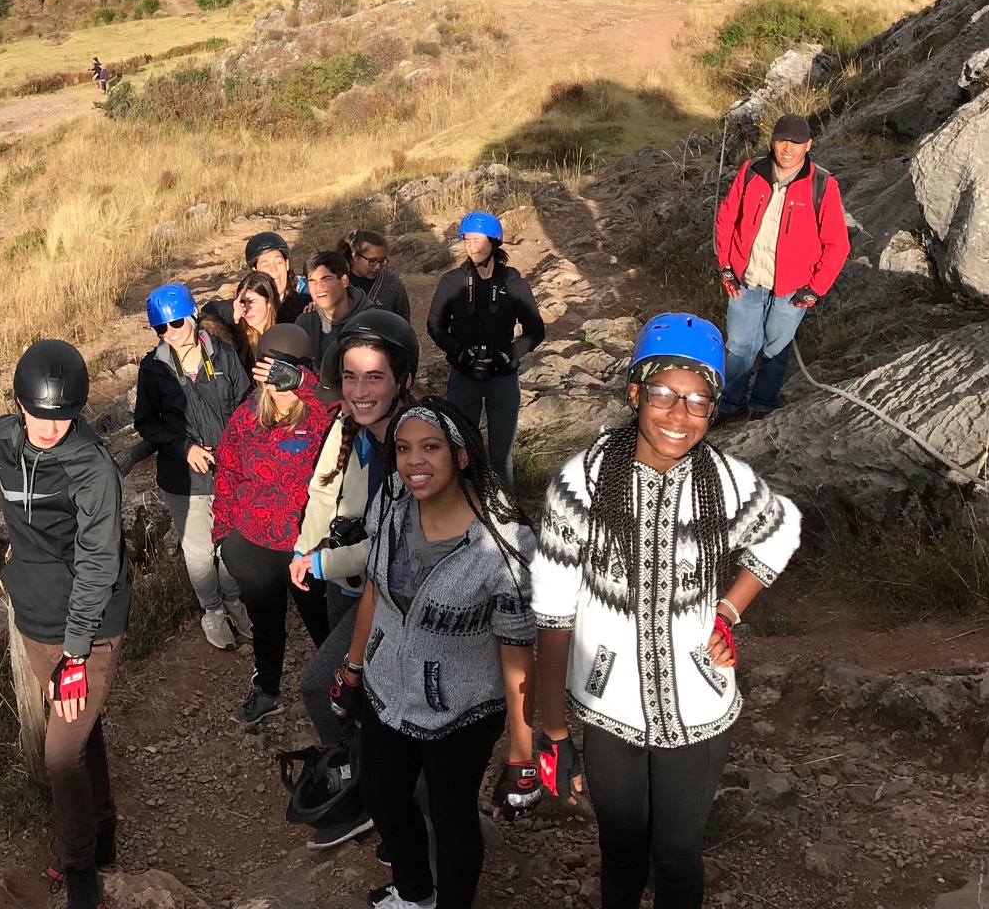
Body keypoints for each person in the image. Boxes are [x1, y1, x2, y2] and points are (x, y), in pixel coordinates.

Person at [532, 313, 802, 909]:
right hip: (609, 706)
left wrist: (727, 612)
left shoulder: (725, 481)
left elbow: (782, 529)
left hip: (699, 702)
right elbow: (552, 612)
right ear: (635, 394)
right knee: (622, 852)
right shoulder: (581, 484)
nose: (680, 415)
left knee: (678, 854)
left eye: (699, 401)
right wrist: (553, 728)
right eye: (664, 395)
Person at [332, 399, 537, 909]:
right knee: (381, 793)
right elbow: (375, 591)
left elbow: (517, 648)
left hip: (463, 710)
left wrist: (521, 748)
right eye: (403, 449)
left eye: (431, 447)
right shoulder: (392, 505)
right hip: (387, 687)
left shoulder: (504, 544)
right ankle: (415, 893)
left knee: (452, 816)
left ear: (462, 456)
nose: (414, 461)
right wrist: (353, 668)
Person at [0, 339, 132, 909]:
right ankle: (103, 831)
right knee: (81, 731)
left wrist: (76, 656)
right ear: (19, 405)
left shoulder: (92, 469)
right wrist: (18, 550)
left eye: (65, 416)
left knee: (60, 754)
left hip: (88, 627)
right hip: (35, 617)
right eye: (39, 415)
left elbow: (99, 564)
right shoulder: (2, 439)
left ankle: (80, 869)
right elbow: (16, 505)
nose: (51, 429)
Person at [290, 310, 420, 848]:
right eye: (349, 377)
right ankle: (372, 788)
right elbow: (323, 491)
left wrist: (321, 563)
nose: (359, 391)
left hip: (386, 594)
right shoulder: (347, 427)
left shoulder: (413, 448)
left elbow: (394, 545)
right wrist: (305, 548)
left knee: (321, 685)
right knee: (358, 696)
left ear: (402, 380)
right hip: (345, 585)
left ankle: (370, 797)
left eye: (374, 377)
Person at [214, 322, 334, 727]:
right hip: (253, 544)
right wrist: (223, 536)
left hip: (306, 546)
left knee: (325, 627)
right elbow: (227, 474)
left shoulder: (321, 416)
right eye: (270, 372)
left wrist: (303, 383)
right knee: (265, 626)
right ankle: (267, 692)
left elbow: (345, 404)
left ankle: (345, 698)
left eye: (286, 372)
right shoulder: (247, 416)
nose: (277, 383)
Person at [134, 282, 254, 651]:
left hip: (229, 472)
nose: (170, 333)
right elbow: (147, 422)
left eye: (176, 323)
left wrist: (236, 451)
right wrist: (184, 448)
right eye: (161, 327)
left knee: (231, 544)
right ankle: (213, 611)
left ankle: (234, 601)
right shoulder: (153, 368)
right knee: (200, 552)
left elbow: (245, 404)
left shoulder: (223, 355)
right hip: (184, 478)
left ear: (193, 317)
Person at [714, 114, 850, 418]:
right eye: (782, 140)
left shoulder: (822, 185)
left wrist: (815, 289)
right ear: (773, 141)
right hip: (745, 280)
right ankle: (730, 407)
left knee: (776, 350)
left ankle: (763, 407)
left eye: (796, 142)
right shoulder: (750, 172)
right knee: (738, 347)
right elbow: (726, 219)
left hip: (792, 290)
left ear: (808, 145)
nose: (788, 148)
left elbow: (837, 245)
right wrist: (726, 266)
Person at [425, 212, 545, 495]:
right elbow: (434, 325)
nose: (472, 247)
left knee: (501, 455)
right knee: (461, 448)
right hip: (463, 374)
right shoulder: (452, 281)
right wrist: (458, 351)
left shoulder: (514, 284)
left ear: (494, 242)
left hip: (502, 377)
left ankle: (506, 510)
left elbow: (535, 330)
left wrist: (508, 355)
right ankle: (462, 505)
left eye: (478, 241)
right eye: (467, 240)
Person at [297, 249, 383, 385]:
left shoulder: (371, 323)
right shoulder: (304, 323)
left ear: (344, 281)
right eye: (312, 281)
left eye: (326, 279)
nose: (318, 287)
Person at [344, 229, 411, 324]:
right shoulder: (337, 284)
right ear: (355, 257)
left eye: (381, 261)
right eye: (372, 261)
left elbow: (403, 324)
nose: (377, 267)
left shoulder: (392, 284)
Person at [245, 231, 309, 324]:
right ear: (255, 270)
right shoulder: (248, 300)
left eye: (278, 262)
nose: (273, 269)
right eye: (265, 265)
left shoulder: (307, 291)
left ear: (287, 264)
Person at [229, 270, 284, 363]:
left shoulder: (285, 334)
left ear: (269, 302)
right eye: (242, 302)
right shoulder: (234, 338)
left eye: (251, 301)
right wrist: (229, 310)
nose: (245, 308)